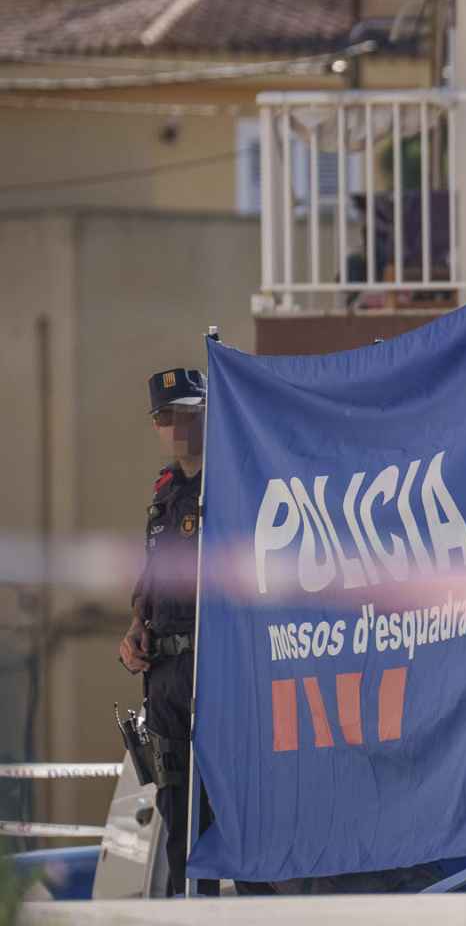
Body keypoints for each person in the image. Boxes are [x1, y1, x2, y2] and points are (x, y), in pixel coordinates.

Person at [118, 366, 212, 897]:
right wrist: (135, 629)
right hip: (167, 682)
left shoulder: (231, 485)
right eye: (163, 416)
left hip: (218, 675)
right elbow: (148, 581)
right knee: (179, 825)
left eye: (185, 413)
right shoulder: (163, 494)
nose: (173, 425)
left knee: (230, 819)